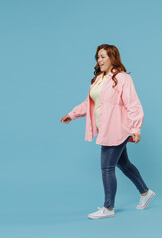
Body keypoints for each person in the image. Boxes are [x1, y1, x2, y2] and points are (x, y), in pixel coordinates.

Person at [60, 44, 155, 219]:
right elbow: (90, 103)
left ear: (112, 58)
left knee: (107, 168)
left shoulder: (122, 78)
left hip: (117, 129)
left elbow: (133, 103)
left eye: (103, 56)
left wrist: (136, 128)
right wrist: (72, 114)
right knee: (123, 164)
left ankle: (108, 208)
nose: (99, 60)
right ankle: (145, 192)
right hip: (107, 129)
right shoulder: (99, 79)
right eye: (98, 57)